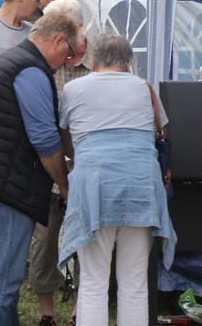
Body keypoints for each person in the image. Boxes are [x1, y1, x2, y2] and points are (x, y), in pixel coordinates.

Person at [0, 11, 79, 325]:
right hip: (2, 191)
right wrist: (65, 185)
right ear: (58, 40)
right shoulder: (31, 71)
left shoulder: (9, 60)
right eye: (69, 53)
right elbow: (44, 138)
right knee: (2, 284)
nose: (67, 60)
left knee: (2, 279)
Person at [59, 33, 176, 326]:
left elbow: (66, 140)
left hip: (95, 189)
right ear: (129, 63)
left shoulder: (73, 89)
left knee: (94, 282)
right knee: (134, 284)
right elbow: (162, 134)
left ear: (94, 61)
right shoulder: (144, 88)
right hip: (142, 189)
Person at [29, 0, 89, 326]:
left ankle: (82, 309)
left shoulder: (102, 60)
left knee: (88, 238)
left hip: (88, 165)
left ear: (77, 29)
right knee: (44, 239)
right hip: (50, 165)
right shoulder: (41, 62)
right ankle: (47, 314)